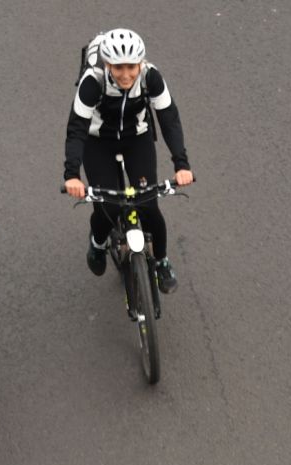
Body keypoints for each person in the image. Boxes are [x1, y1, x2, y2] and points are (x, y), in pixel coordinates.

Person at [62, 29, 194, 294]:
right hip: (98, 141)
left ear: (141, 63)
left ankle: (162, 260)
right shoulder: (93, 81)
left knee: (148, 205)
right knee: (107, 208)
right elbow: (76, 129)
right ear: (108, 64)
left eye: (131, 67)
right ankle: (98, 244)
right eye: (118, 67)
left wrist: (182, 164)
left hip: (137, 138)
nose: (126, 74)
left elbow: (169, 119)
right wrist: (72, 174)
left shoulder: (150, 77)